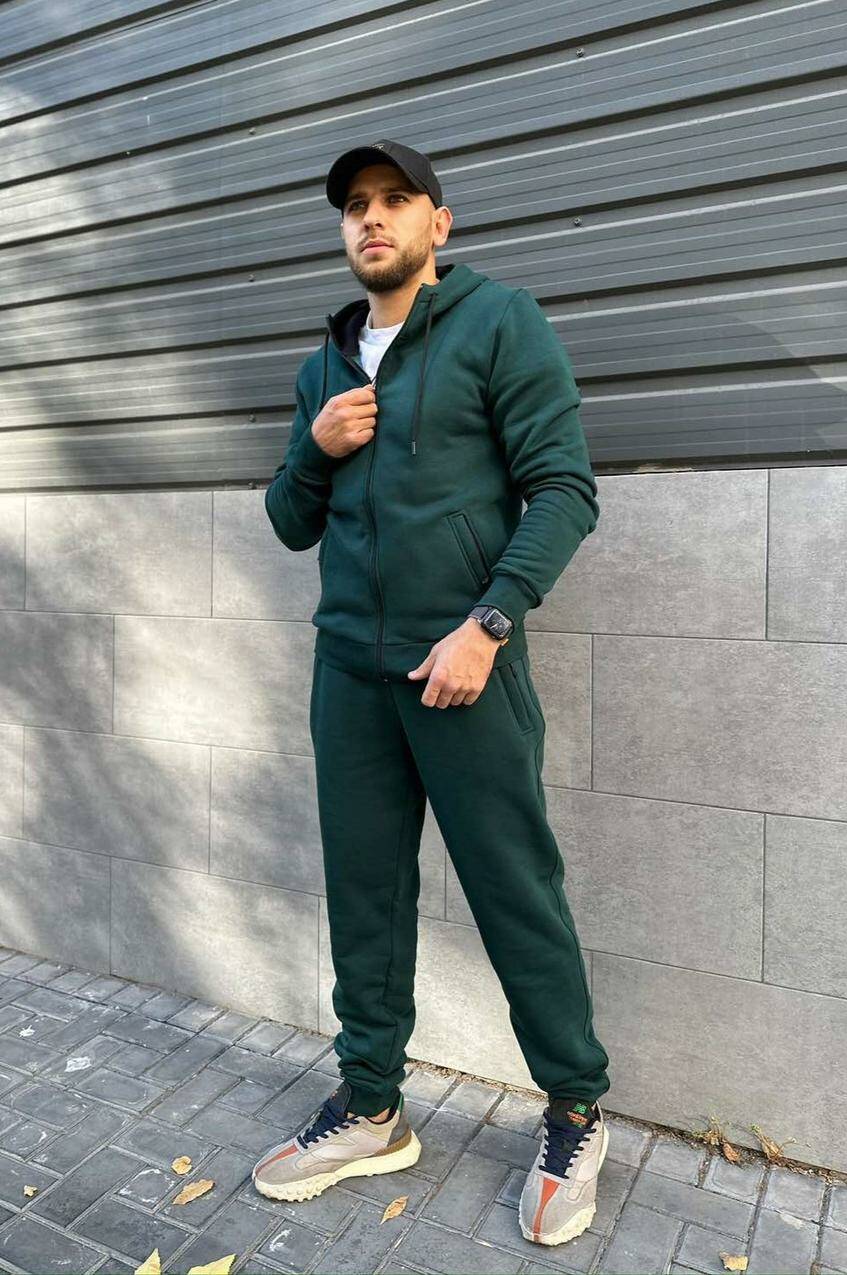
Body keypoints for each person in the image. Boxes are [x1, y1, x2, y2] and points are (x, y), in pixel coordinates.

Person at [253, 139, 611, 1246]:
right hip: (348, 674)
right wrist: (315, 449)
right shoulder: (324, 367)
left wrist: (487, 624)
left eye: (395, 201)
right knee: (364, 892)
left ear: (437, 225)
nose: (373, 219)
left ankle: (575, 1108)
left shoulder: (499, 323)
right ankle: (372, 1107)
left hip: (463, 666)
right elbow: (288, 521)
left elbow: (565, 488)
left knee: (513, 886)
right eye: (355, 206)